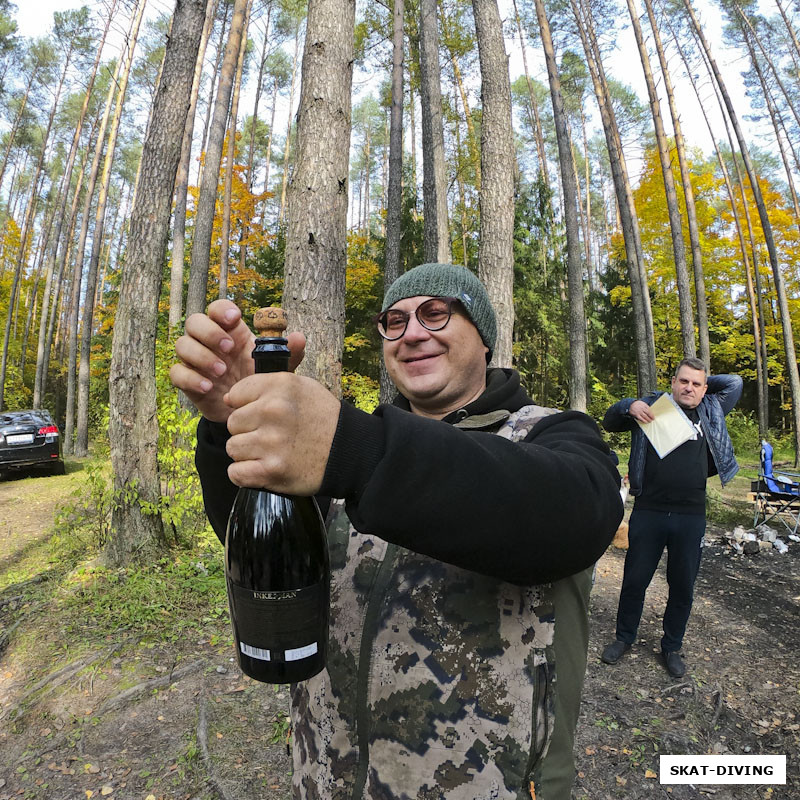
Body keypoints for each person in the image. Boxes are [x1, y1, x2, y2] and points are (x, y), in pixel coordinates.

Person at [171, 263, 623, 799]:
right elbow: (270, 547)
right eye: (394, 321)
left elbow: (570, 518)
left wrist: (355, 449)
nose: (411, 333)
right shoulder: (343, 450)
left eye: (436, 314)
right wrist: (231, 423)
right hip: (328, 778)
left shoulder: (554, 437)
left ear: (485, 340)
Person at [600, 358, 742, 678]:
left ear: (705, 389)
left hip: (690, 515)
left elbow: (734, 382)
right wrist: (630, 404)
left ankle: (671, 647)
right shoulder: (653, 406)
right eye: (683, 381)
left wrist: (704, 383)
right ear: (673, 382)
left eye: (696, 384)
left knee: (682, 585)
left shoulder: (711, 408)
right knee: (635, 579)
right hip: (649, 509)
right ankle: (624, 638)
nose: (689, 388)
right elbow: (610, 420)